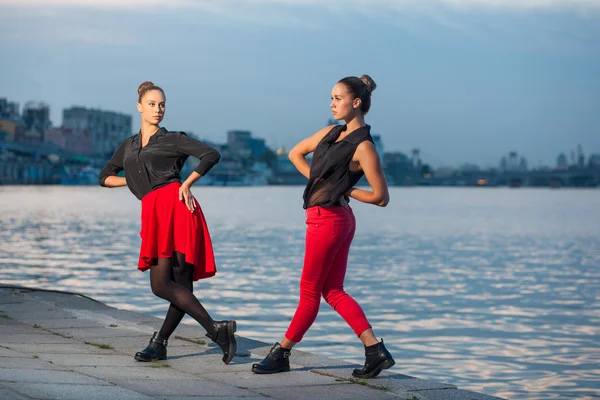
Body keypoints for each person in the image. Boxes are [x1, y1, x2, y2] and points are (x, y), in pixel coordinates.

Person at [251, 75, 395, 378]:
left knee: (309, 292)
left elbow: (381, 197)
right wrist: (321, 182)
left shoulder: (364, 147)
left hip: (331, 221)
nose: (332, 103)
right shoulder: (331, 132)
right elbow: (294, 153)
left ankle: (282, 353)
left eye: (338, 98)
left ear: (356, 103)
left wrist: (343, 189)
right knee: (332, 290)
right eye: (331, 98)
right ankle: (375, 351)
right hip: (326, 218)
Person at [99, 81, 237, 364]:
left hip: (177, 208)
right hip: (154, 212)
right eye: (152, 104)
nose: (158, 109)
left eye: (162, 104)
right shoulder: (128, 146)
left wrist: (186, 183)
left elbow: (211, 155)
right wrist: (133, 180)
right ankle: (167, 342)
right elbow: (104, 176)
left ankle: (211, 331)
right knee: (174, 286)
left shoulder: (173, 138)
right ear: (139, 107)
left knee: (164, 284)